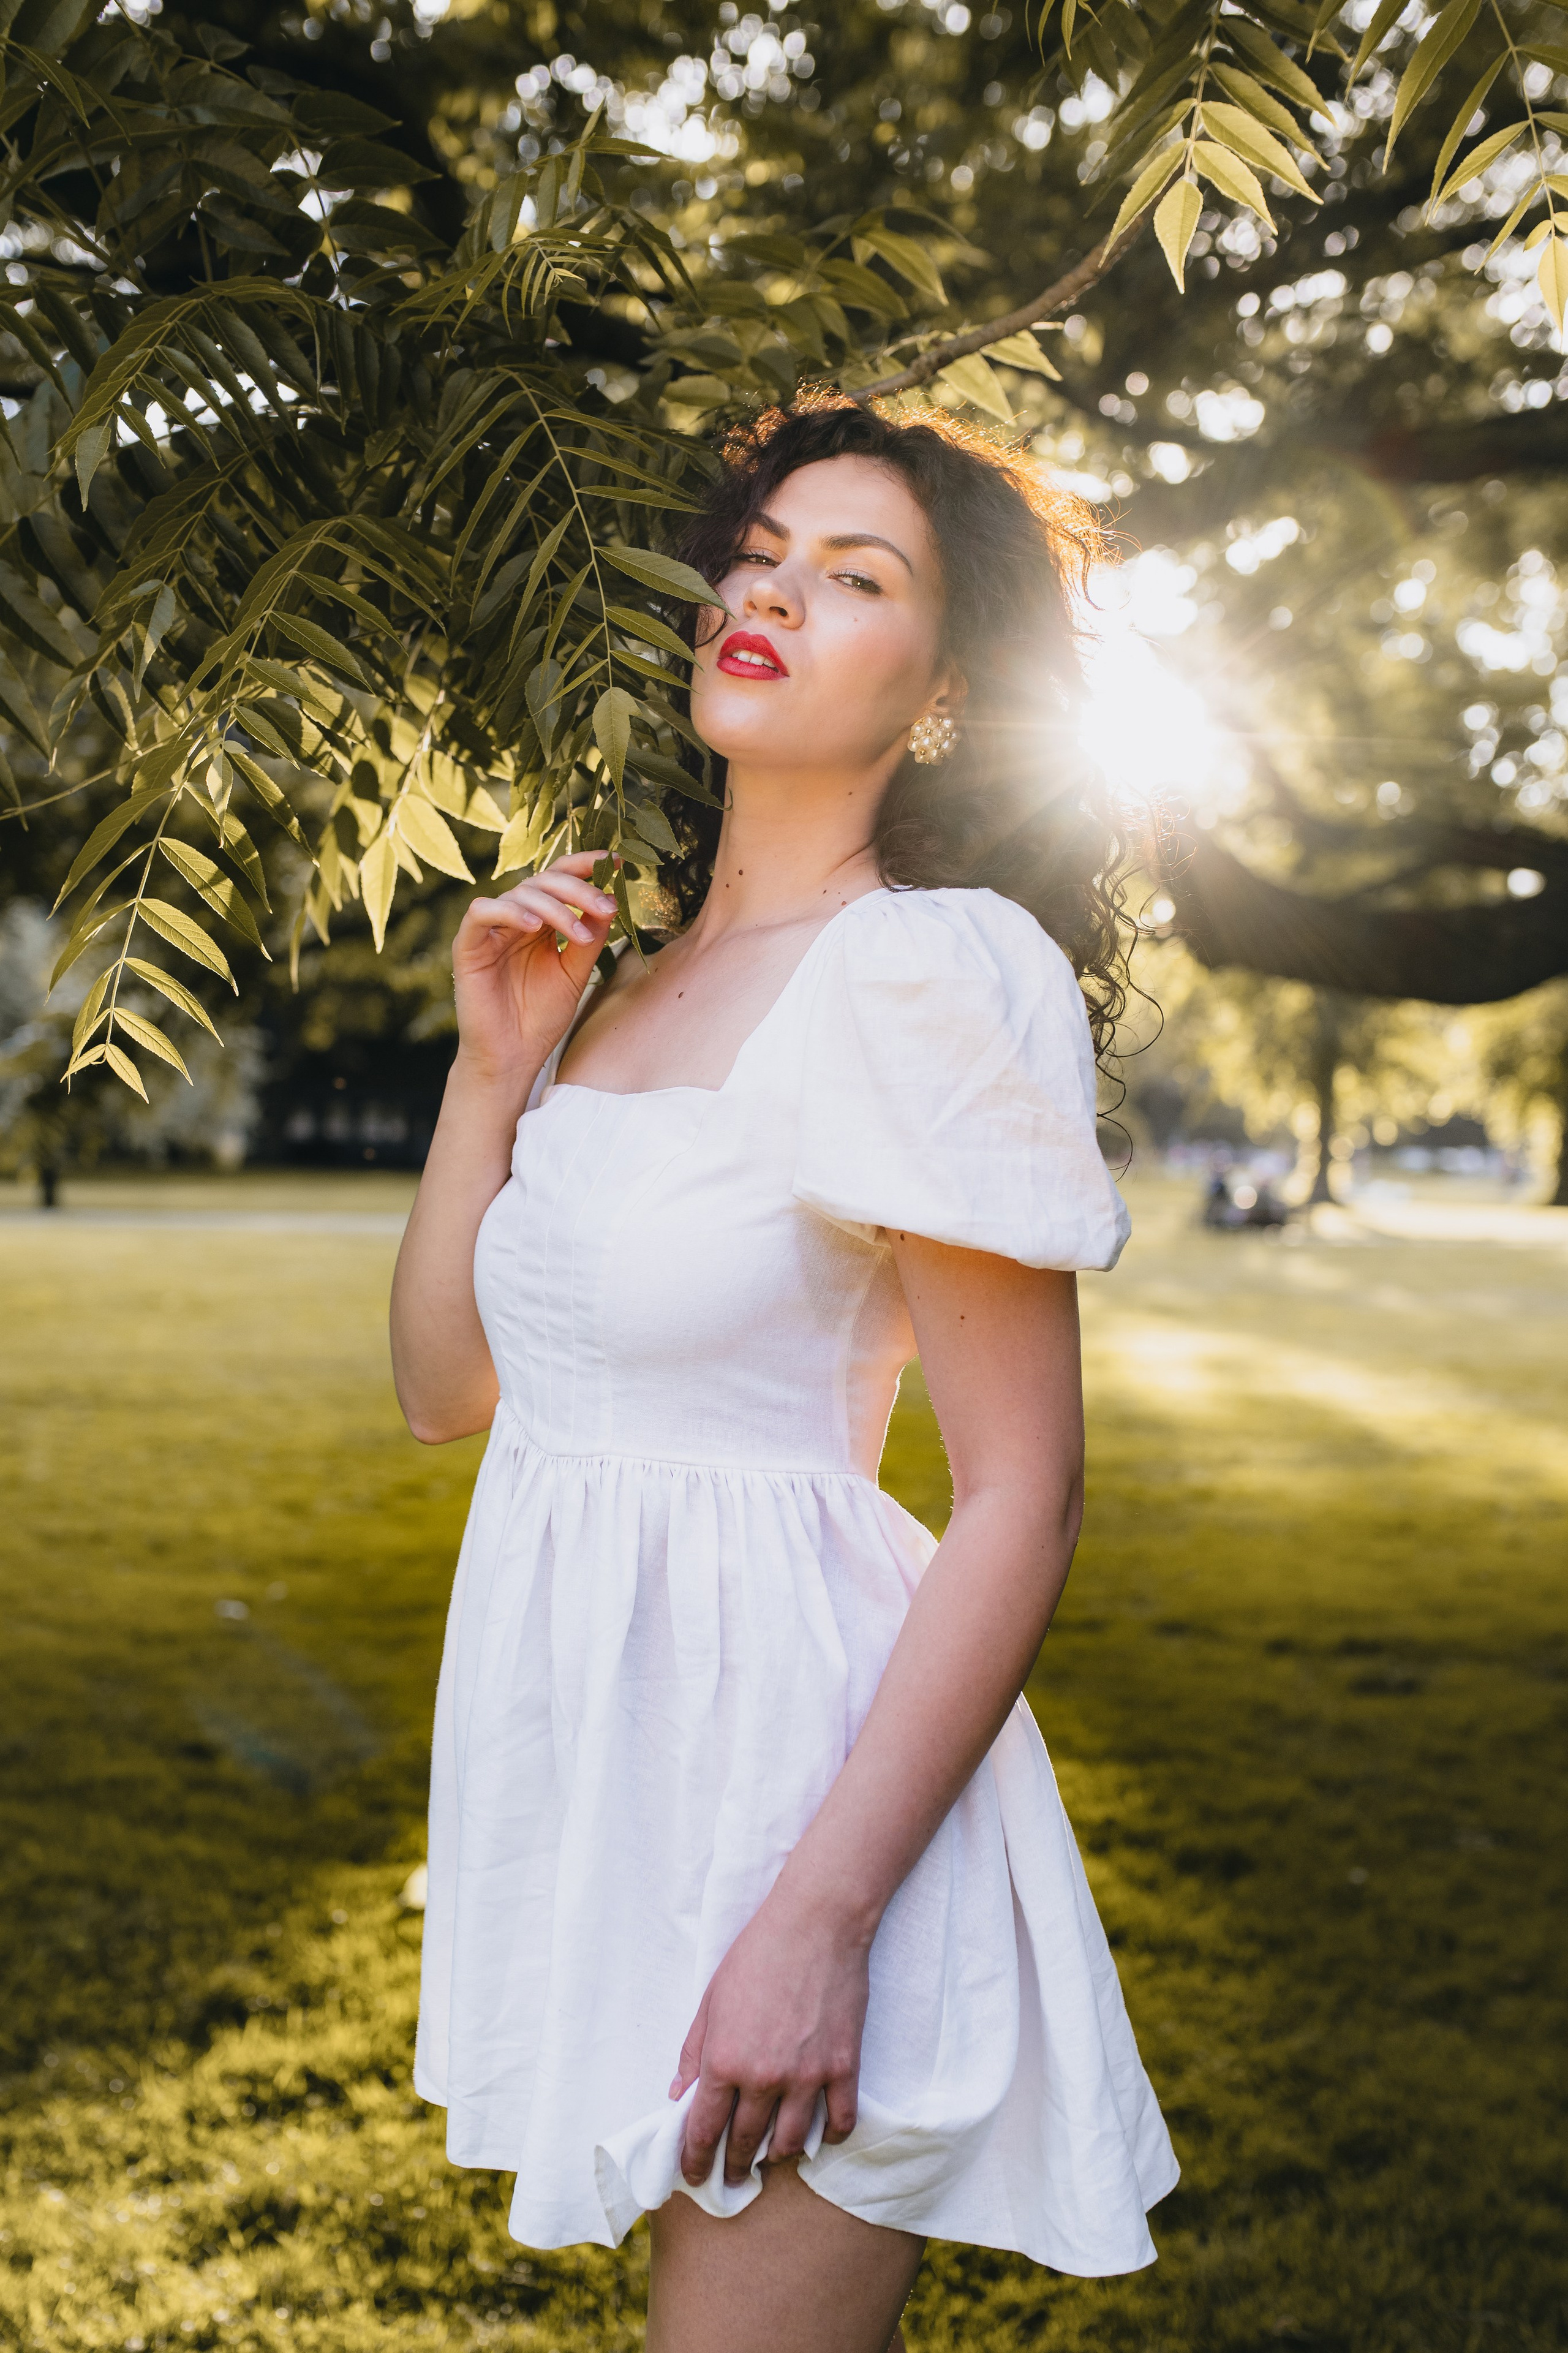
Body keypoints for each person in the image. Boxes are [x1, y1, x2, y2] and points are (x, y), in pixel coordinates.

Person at [389, 401, 1177, 2353]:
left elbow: (1021, 1490)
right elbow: (446, 1390)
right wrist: (493, 1071)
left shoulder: (929, 968)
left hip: (802, 1792)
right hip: (610, 1769)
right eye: (756, 554)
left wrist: (819, 1922)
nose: (773, 593)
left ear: (943, 686)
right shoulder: (625, 974)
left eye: (855, 577)